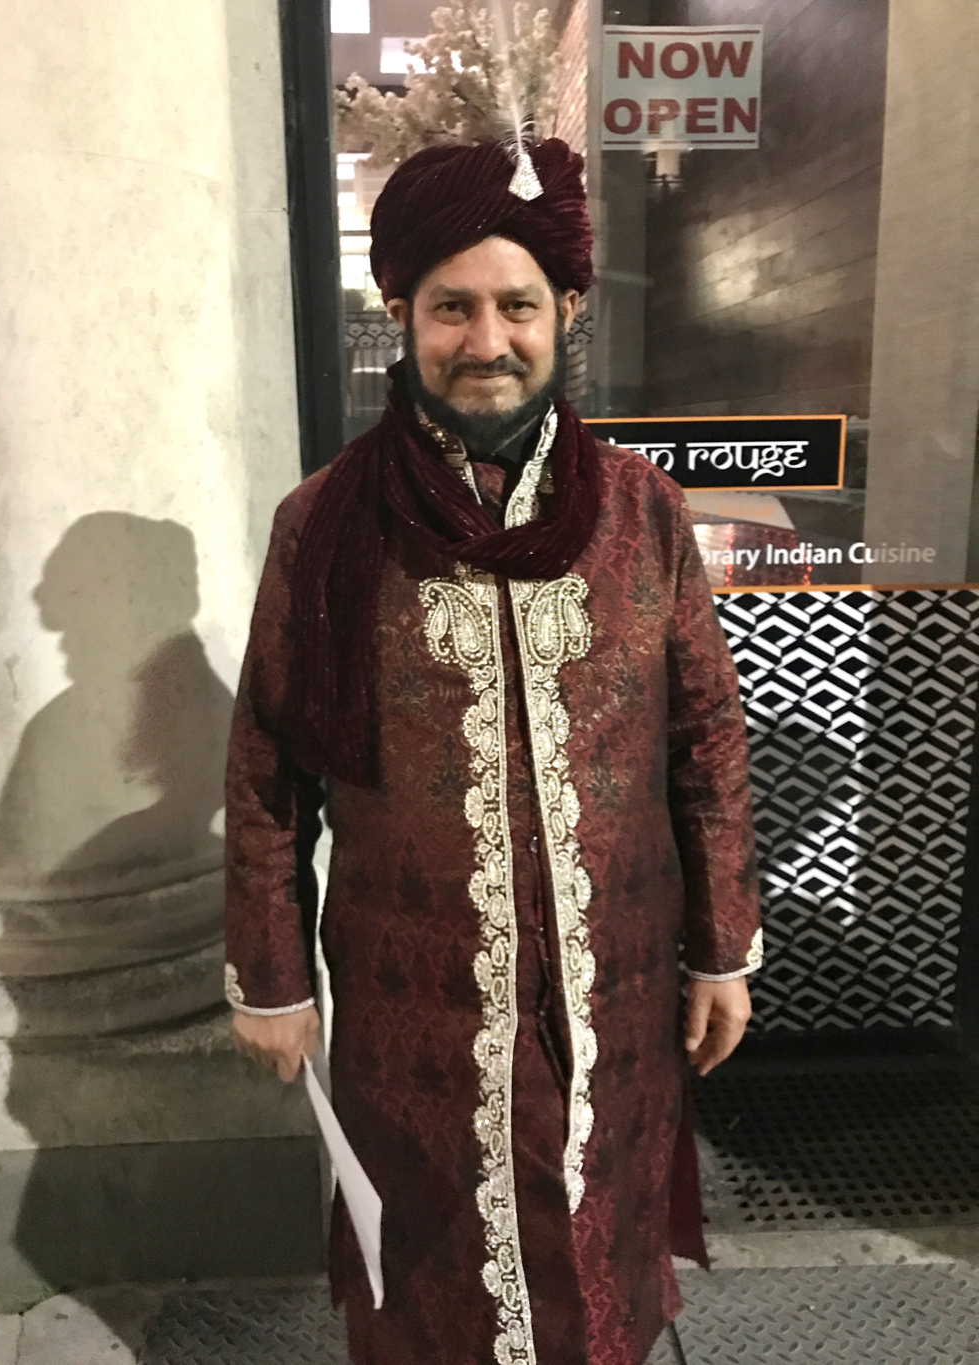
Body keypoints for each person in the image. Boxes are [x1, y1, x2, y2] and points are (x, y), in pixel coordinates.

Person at [225, 137, 761, 1365]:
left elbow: (705, 736)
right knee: (430, 1265)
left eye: (516, 305)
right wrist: (273, 976)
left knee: (599, 1241)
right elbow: (268, 768)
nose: (486, 340)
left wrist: (720, 946)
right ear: (400, 312)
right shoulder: (325, 524)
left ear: (564, 310)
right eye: (450, 307)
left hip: (613, 980)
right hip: (414, 997)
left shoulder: (640, 510)